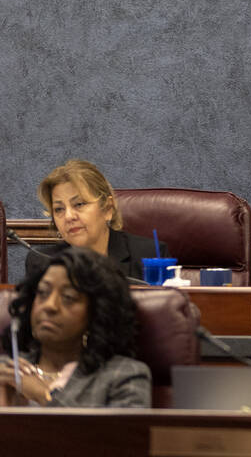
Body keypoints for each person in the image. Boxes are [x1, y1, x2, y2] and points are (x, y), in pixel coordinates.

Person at [1, 247, 150, 407]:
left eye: (68, 297)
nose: (50, 305)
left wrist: (44, 396)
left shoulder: (123, 375)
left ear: (98, 312)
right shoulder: (5, 369)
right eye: (43, 292)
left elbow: (124, 433)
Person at [28, 159, 169, 282]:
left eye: (79, 204)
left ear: (108, 209)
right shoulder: (43, 261)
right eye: (59, 209)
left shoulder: (149, 255)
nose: (68, 216)